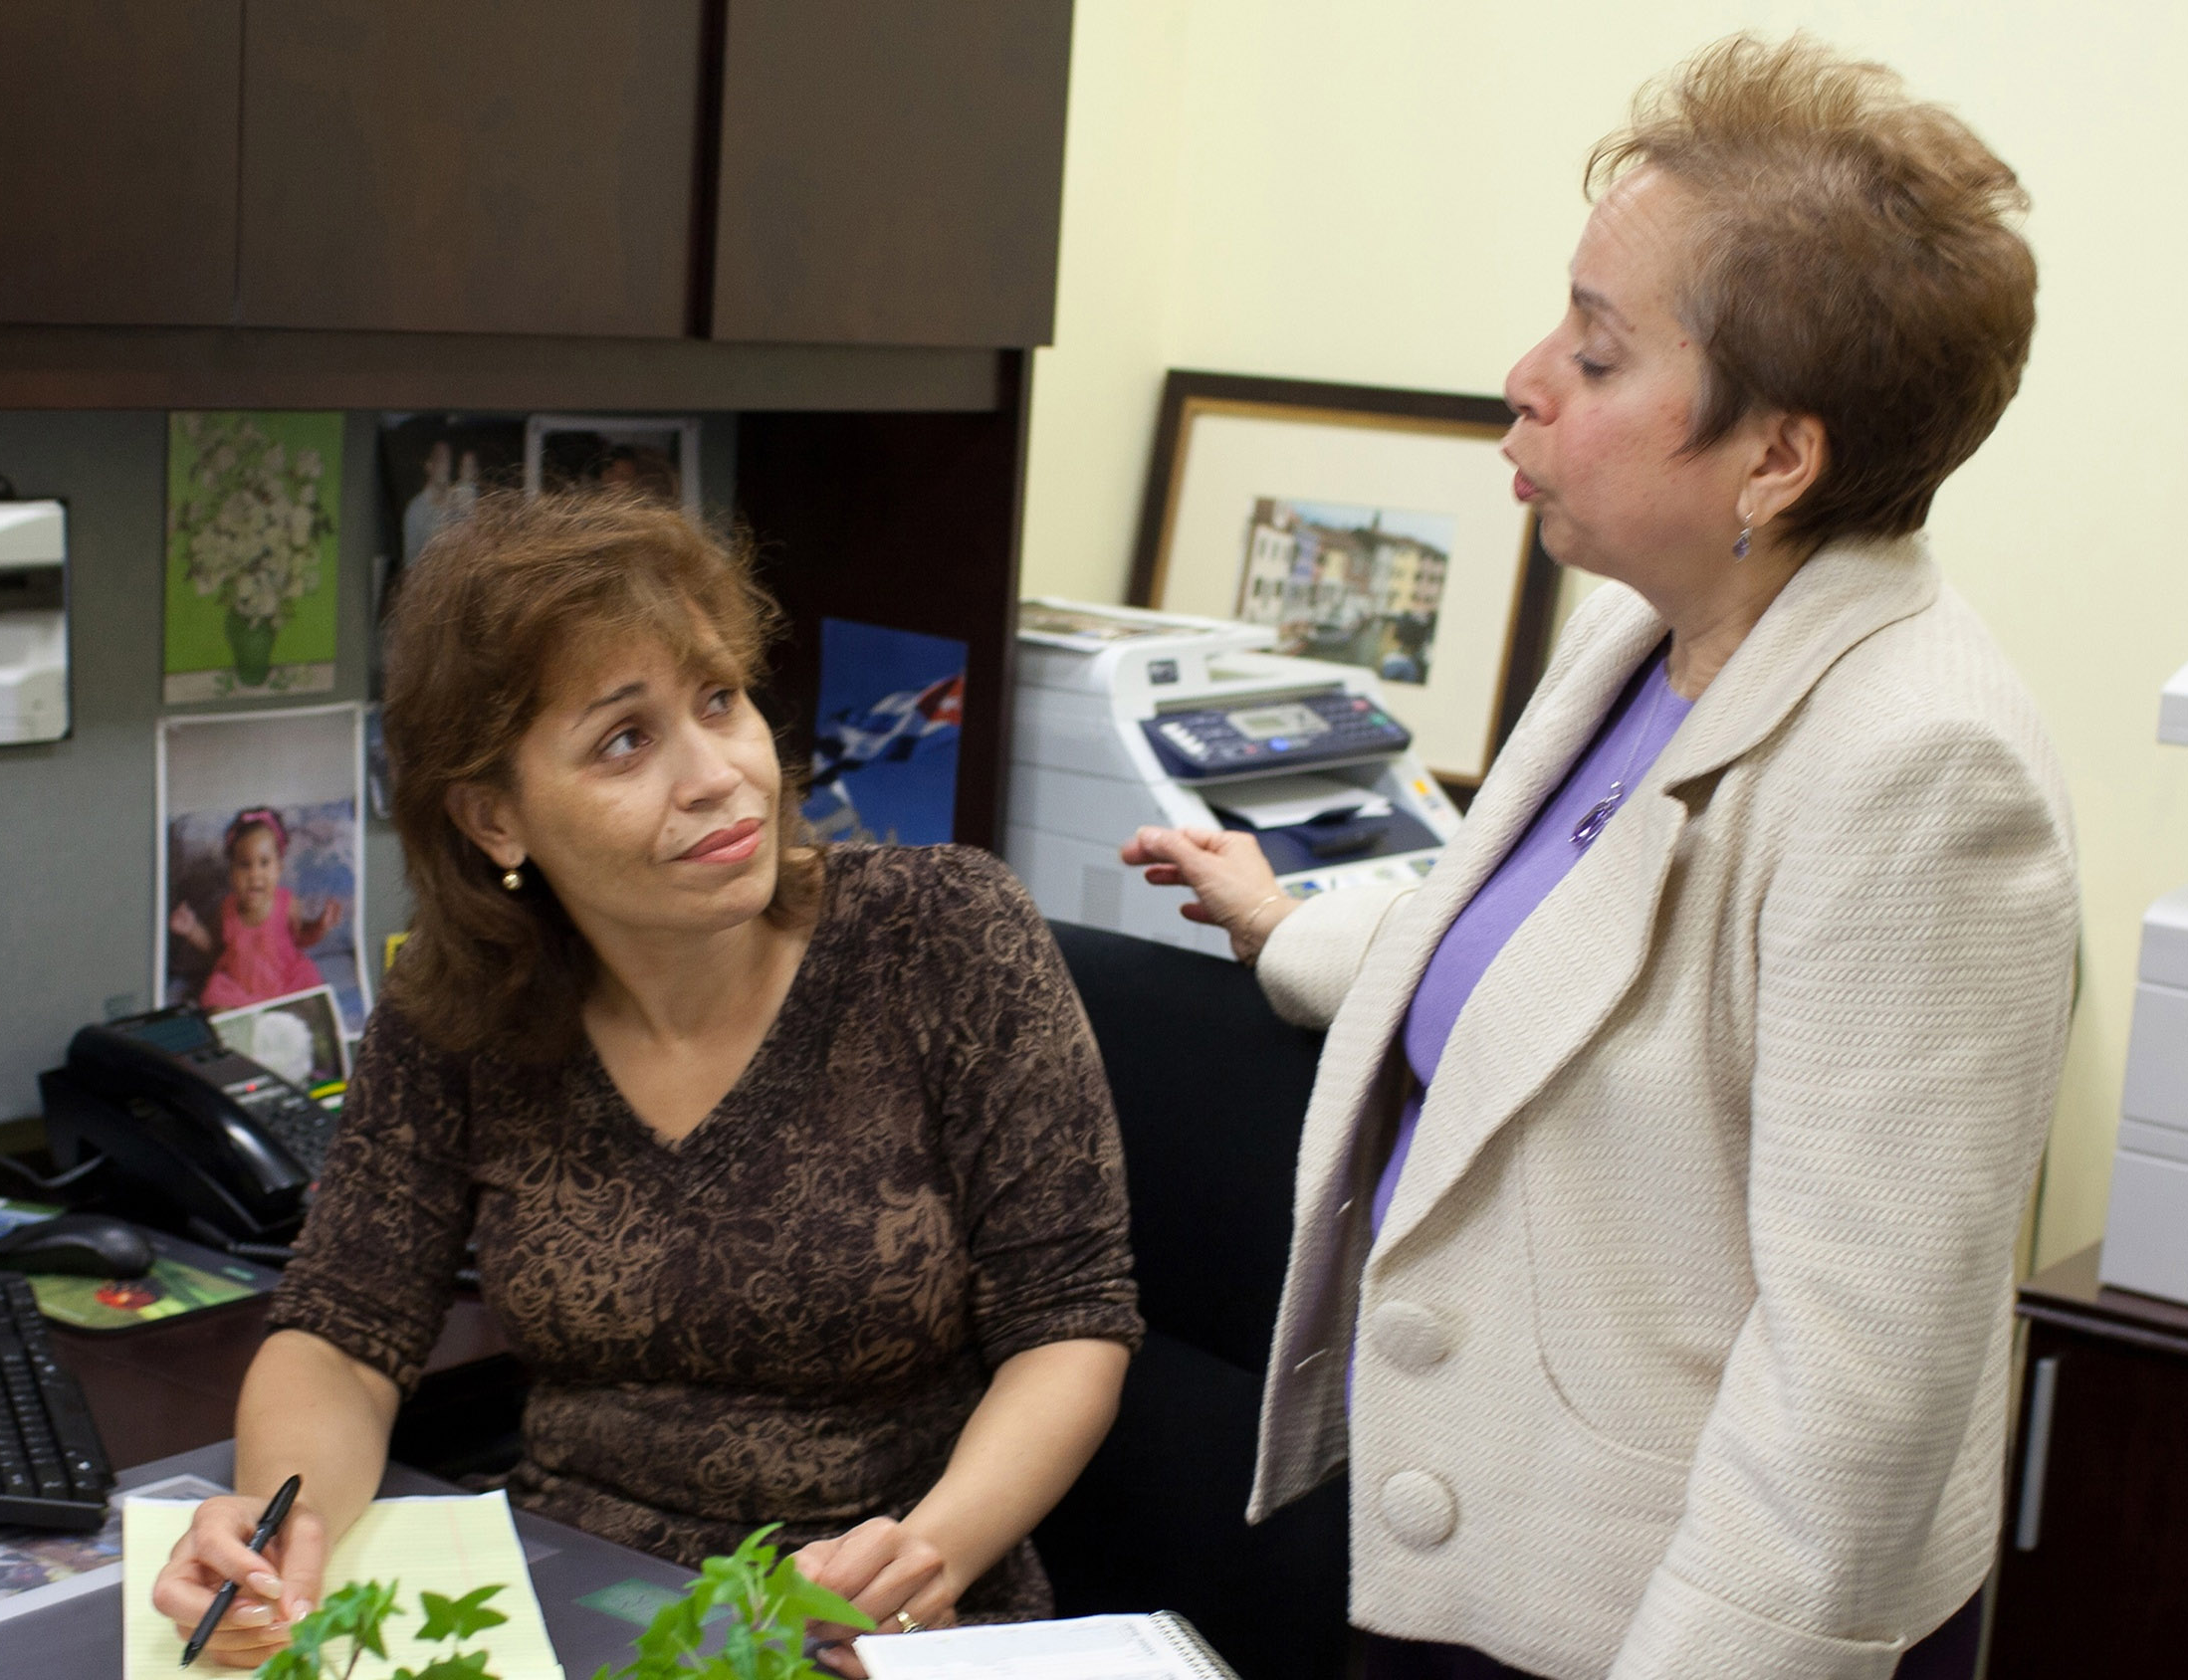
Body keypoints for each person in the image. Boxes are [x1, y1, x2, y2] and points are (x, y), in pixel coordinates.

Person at [1128, 35, 2075, 1680]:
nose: (1526, 374)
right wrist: (1284, 918)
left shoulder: (1919, 768)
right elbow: (1556, 955)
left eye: (1598, 347)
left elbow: (1863, 1388)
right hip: (1474, 1557)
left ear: (1777, 458)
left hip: (1669, 1626)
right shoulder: (1651, 625)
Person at [150, 492, 1140, 1677]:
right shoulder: (463, 1012)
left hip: (885, 1618)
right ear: (494, 815)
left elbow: (1072, 1320)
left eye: (720, 700)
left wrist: (931, 1549)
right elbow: (340, 1335)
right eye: (627, 739)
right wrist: (279, 1529)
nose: (720, 774)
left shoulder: (943, 933)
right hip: (569, 1600)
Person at [168, 808, 343, 1011]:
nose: (254, 874)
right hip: (239, 985)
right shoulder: (226, 909)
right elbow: (216, 949)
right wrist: (192, 929)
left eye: (264, 863)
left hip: (284, 980)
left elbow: (301, 937)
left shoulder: (287, 903)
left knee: (313, 1000)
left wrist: (320, 926)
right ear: (231, 872)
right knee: (215, 1004)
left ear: (278, 868)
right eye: (244, 865)